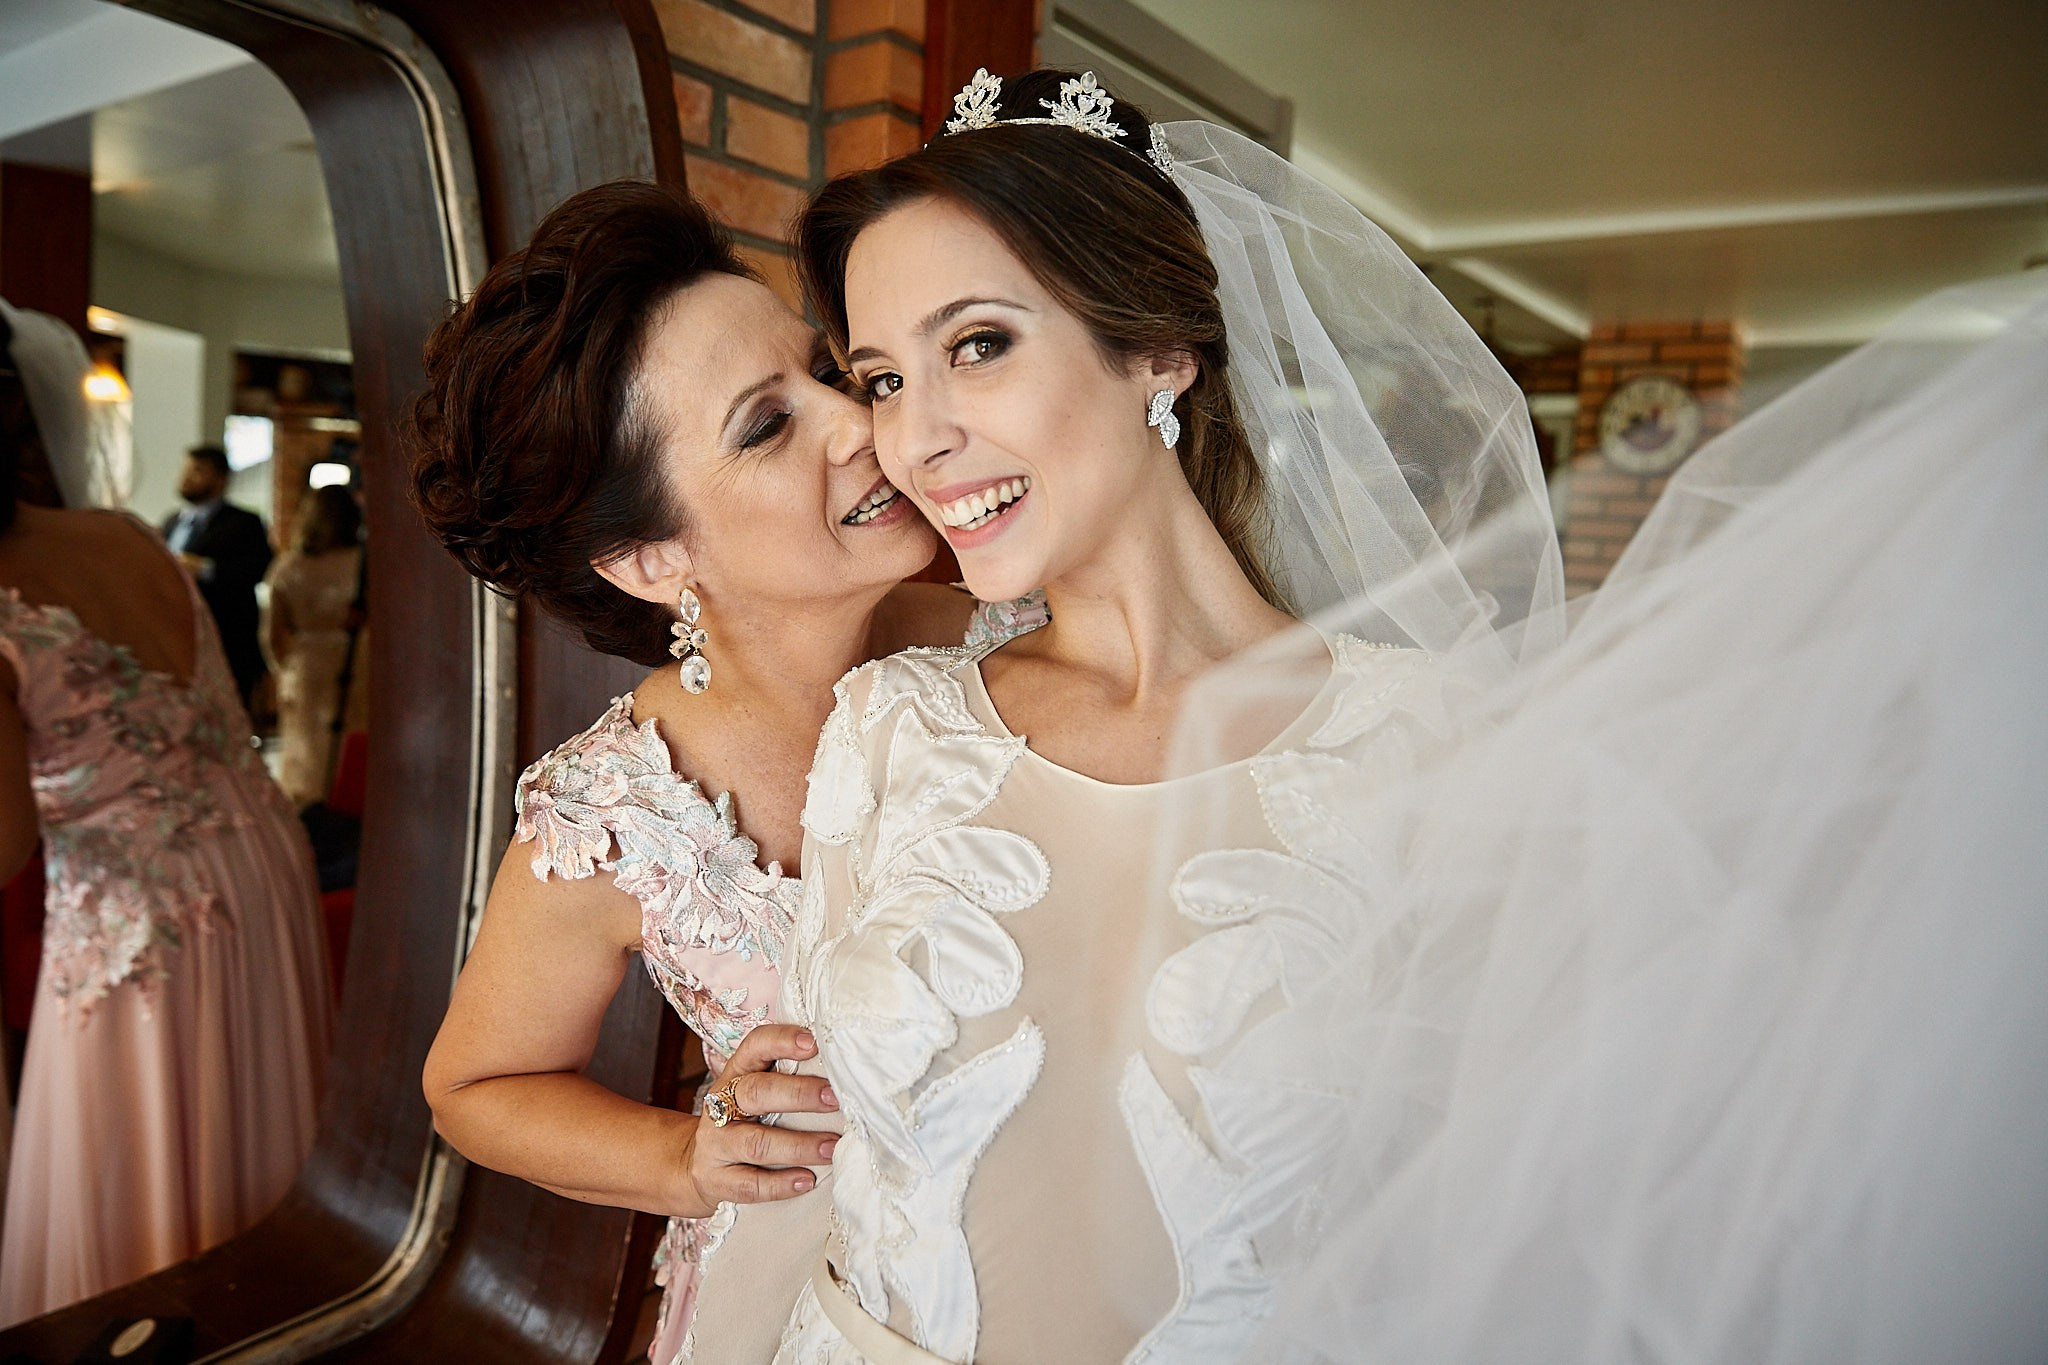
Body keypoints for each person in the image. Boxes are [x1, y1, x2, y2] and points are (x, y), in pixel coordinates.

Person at [663, 70, 2046, 1363]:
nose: (918, 438)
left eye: (978, 345)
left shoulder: (1430, 747)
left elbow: (1531, 1199)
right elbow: (836, 1150)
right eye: (886, 376)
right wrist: (731, 1116)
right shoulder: (891, 729)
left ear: (1157, 352)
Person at [408, 181, 1047, 1365]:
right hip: (798, 1294)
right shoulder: (615, 812)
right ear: (652, 558)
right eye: (765, 424)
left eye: (823, 370)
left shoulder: (1023, 634)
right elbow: (475, 1088)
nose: (856, 421)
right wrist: (681, 1157)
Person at [0, 302, 332, 1325]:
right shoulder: (127, 535)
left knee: (140, 1189)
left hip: (139, 916)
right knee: (246, 1130)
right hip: (261, 865)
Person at [265, 483, 367, 806]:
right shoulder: (363, 565)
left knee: (304, 749)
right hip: (358, 659)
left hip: (305, 663)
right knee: (349, 743)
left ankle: (307, 814)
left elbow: (271, 632)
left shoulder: (289, 566)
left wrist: (284, 667)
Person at [163, 443, 273, 707]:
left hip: (226, 635)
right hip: (179, 635)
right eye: (186, 469)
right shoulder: (172, 522)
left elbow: (259, 569)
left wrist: (206, 569)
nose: (187, 477)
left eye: (198, 470)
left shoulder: (243, 523)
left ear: (220, 479)